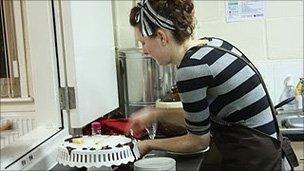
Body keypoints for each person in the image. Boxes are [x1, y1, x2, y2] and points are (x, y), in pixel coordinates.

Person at [127, 0, 297, 170]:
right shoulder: (209, 45)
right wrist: (155, 114)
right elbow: (198, 119)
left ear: (161, 37)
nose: (144, 51)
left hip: (255, 158)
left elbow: (198, 141)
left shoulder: (191, 69)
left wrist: (148, 145)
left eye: (143, 42)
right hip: (265, 150)